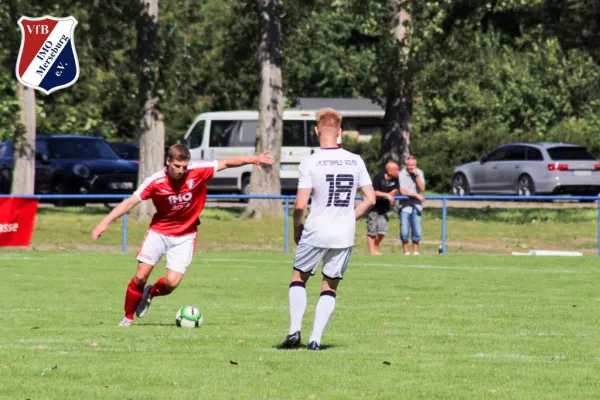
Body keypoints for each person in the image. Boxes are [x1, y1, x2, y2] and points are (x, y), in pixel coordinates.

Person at [91, 144, 273, 327]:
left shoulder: (197, 172)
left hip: (185, 235)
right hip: (159, 232)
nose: (181, 170)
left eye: (184, 166)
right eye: (177, 166)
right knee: (140, 276)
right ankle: (127, 317)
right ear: (168, 161)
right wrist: (104, 222)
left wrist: (252, 159)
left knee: (171, 283)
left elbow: (226, 163)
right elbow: (130, 202)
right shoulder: (155, 181)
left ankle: (151, 293)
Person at [276, 108, 375, 351]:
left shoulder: (311, 161)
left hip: (316, 229)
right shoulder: (355, 160)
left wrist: (297, 227)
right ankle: (315, 340)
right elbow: (370, 199)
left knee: (299, 277)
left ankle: (293, 332)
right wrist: (349, 217)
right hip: (343, 233)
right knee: (329, 286)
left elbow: (300, 205)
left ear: (316, 130)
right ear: (340, 131)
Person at [366, 161, 399, 255]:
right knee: (372, 230)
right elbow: (374, 192)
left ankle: (375, 249)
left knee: (382, 231)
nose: (398, 172)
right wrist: (386, 195)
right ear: (389, 171)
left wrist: (388, 194)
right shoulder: (378, 177)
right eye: (396, 170)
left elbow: (396, 190)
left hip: (384, 208)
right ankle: (372, 252)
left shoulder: (396, 179)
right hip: (373, 208)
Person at [399, 155, 425, 255]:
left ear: (415, 165)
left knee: (417, 230)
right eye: (409, 165)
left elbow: (422, 188)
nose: (411, 167)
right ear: (406, 165)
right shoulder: (402, 174)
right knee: (404, 231)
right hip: (405, 206)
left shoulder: (420, 172)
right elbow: (402, 191)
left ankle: (415, 252)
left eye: (413, 165)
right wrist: (415, 195)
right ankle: (406, 252)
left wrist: (416, 176)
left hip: (417, 206)